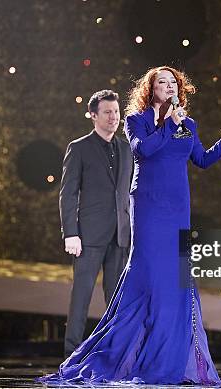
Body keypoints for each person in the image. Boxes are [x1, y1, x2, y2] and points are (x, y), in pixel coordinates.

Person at [40, 66, 221, 385]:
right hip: (150, 206)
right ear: (151, 89)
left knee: (173, 279)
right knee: (149, 274)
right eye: (162, 82)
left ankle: (168, 356)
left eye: (173, 82)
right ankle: (122, 353)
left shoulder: (188, 124)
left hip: (178, 206)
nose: (168, 86)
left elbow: (202, 159)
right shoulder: (136, 121)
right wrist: (168, 122)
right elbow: (145, 150)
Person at [59, 89, 133, 358]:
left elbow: (128, 193)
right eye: (107, 112)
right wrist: (71, 233)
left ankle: (114, 355)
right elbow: (68, 193)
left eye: (116, 112)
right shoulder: (79, 148)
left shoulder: (127, 148)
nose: (114, 117)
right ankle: (71, 355)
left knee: (116, 301)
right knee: (81, 297)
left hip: (120, 236)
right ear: (93, 115)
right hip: (88, 237)